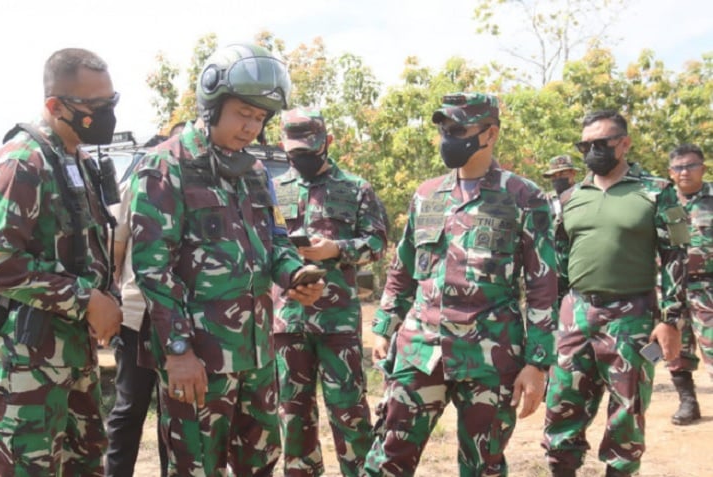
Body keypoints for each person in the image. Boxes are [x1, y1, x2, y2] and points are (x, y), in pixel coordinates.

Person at [128, 43, 324, 476]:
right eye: (243, 114)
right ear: (212, 105)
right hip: (199, 361)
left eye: (260, 118)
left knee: (260, 466)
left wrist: (296, 275)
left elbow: (276, 241)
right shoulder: (166, 168)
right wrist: (178, 351)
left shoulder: (253, 172)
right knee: (196, 469)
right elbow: (153, 270)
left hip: (256, 356)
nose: (251, 127)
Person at [364, 92, 558, 477]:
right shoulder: (427, 194)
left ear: (490, 134)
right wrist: (385, 325)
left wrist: (538, 363)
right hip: (420, 349)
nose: (448, 138)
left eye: (459, 130)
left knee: (482, 466)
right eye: (443, 130)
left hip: (490, 354)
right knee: (387, 458)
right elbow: (403, 266)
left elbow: (542, 285)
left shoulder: (522, 196)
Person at [0, 48, 123, 476]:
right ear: (55, 106)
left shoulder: (80, 160)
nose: (107, 115)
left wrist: (105, 299)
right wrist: (87, 300)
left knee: (85, 463)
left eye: (111, 102)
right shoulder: (22, 163)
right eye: (95, 107)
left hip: (73, 352)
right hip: (27, 356)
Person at [542, 110, 688, 477]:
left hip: (632, 316)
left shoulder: (656, 192)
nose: (592, 151)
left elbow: (676, 255)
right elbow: (560, 258)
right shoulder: (572, 196)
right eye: (585, 145)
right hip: (575, 313)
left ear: (624, 143)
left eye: (601, 144)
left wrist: (671, 319)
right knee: (561, 407)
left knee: (627, 412)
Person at [272, 107, 388, 476]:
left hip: (337, 322)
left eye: (310, 150)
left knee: (349, 411)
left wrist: (336, 249)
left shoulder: (355, 188)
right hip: (287, 320)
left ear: (328, 142)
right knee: (292, 414)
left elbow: (379, 242)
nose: (302, 159)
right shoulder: (273, 191)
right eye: (295, 153)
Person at [104, 171, 167, 476]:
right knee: (129, 408)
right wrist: (115, 298)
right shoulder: (139, 183)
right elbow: (115, 245)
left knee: (178, 414)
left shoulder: (202, 180)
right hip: (138, 314)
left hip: (190, 319)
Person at [665, 143, 711, 426]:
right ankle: (688, 402)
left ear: (703, 168)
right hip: (672, 289)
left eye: (691, 165)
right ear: (670, 173)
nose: (685, 172)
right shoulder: (665, 203)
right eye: (678, 167)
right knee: (675, 349)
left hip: (708, 287)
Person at [542, 154, 581, 219]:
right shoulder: (550, 199)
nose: (558, 178)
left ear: (573, 173)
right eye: (554, 175)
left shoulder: (582, 193)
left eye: (562, 173)